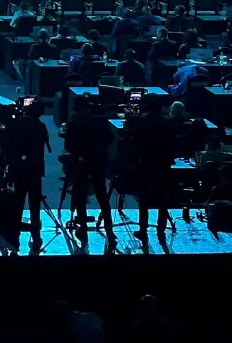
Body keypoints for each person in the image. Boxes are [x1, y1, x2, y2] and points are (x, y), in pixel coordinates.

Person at [63, 97, 115, 242]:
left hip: (81, 163)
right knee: (102, 197)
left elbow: (68, 146)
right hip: (98, 162)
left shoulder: (73, 124)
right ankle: (109, 230)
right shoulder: (101, 121)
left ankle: (83, 230)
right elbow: (110, 139)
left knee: (80, 196)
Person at [127, 98, 176, 237]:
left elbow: (134, 140)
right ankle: (161, 229)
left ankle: (143, 229)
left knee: (144, 199)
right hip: (163, 163)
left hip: (146, 163)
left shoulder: (143, 121)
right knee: (163, 198)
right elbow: (174, 143)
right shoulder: (168, 122)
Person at [5, 100, 51, 241]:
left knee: (18, 200)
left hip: (20, 169)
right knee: (34, 203)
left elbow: (11, 146)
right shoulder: (41, 127)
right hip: (35, 170)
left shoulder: (19, 126)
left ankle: (14, 233)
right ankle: (36, 235)